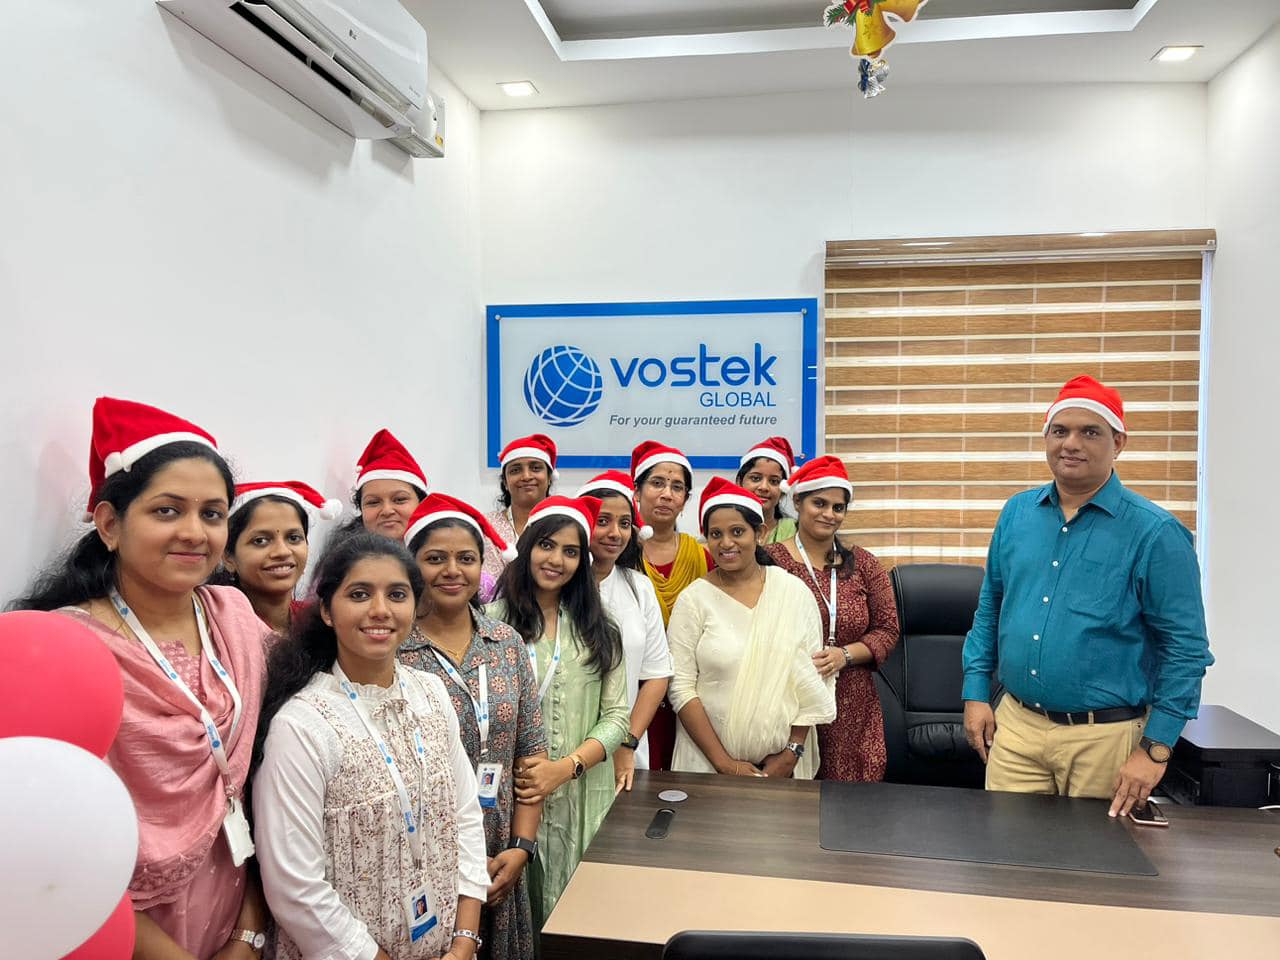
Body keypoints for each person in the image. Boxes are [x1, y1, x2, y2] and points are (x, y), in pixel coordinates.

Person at [11, 397, 272, 960]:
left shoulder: (234, 616)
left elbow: (258, 781)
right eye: (167, 511)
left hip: (237, 903)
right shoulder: (67, 651)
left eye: (213, 514)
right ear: (110, 524)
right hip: (116, 924)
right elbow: (51, 840)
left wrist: (249, 932)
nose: (195, 532)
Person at [961, 375, 1214, 817]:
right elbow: (990, 609)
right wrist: (975, 691)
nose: (1071, 444)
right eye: (1060, 431)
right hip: (1015, 728)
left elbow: (1186, 650)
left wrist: (1155, 749)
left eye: (1090, 432)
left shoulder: (1156, 534)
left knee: (1099, 860)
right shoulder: (1017, 514)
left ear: (1118, 443)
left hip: (1107, 740)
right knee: (1006, 854)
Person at [252, 533, 489, 960]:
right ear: (327, 610)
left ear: (415, 606)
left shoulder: (431, 694)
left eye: (397, 594)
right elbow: (295, 887)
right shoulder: (303, 725)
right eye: (359, 594)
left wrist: (464, 941)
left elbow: (465, 818)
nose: (380, 610)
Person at [398, 493, 547, 960]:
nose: (452, 571)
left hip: (502, 854)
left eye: (465, 558)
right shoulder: (393, 650)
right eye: (434, 559)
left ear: (481, 565)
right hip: (423, 857)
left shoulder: (505, 642)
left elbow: (530, 755)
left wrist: (521, 848)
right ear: (411, 565)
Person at [484, 496, 629, 930]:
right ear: (527, 547)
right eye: (546, 545)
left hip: (583, 793)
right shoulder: (490, 625)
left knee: (580, 921)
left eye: (570, 551)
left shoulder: (599, 628)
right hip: (513, 795)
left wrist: (565, 768)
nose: (556, 560)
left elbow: (617, 716)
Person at [668, 479, 836, 779]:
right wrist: (724, 763)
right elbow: (680, 688)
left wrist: (791, 753)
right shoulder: (693, 600)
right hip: (705, 766)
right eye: (716, 534)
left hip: (784, 768)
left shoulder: (793, 592)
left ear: (759, 533)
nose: (726, 543)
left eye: (737, 532)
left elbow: (813, 678)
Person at [765, 457, 899, 781]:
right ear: (798, 501)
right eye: (819, 503)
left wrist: (845, 655)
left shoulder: (864, 563)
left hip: (853, 705)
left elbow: (888, 629)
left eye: (838, 508)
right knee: (790, 799)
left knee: (852, 801)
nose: (829, 514)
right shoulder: (770, 561)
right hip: (788, 700)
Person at [576, 471, 673, 791]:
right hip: (562, 749)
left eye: (625, 523)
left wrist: (627, 742)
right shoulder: (556, 587)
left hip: (623, 754)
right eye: (602, 521)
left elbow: (657, 674)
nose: (614, 533)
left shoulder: (639, 588)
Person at [630, 440, 709, 769]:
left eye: (677, 487)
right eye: (657, 483)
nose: (666, 494)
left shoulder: (703, 556)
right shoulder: (617, 554)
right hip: (632, 692)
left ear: (686, 499)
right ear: (637, 491)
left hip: (691, 695)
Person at [216, 481, 343, 634]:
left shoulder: (321, 623)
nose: (282, 552)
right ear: (228, 557)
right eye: (260, 541)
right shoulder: (215, 628)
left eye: (294, 538)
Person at [481, 434, 558, 598]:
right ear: (505, 482)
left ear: (550, 477)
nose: (526, 476)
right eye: (515, 470)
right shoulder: (485, 526)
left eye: (535, 468)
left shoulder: (566, 526)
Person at [351, 428, 430, 542]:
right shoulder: (345, 553)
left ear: (422, 503)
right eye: (373, 502)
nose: (387, 511)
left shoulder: (448, 549)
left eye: (399, 500)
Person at [736, 437, 798, 545]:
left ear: (783, 491)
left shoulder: (796, 531)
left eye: (774, 481)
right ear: (739, 483)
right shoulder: (723, 526)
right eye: (755, 478)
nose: (764, 487)